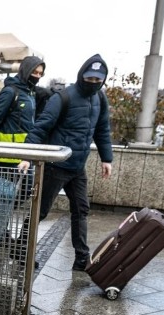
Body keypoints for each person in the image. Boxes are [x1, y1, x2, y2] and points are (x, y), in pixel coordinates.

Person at [20, 54, 114, 271]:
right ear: (82, 76)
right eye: (89, 79)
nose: (93, 83)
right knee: (40, 211)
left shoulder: (100, 98)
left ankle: (82, 257)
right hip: (56, 165)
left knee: (81, 209)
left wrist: (106, 158)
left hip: (78, 167)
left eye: (97, 80)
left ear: (102, 80)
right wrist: (26, 155)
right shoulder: (63, 98)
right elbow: (41, 127)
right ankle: (22, 251)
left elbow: (102, 130)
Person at [0, 55, 46, 167]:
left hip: (25, 153)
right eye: (34, 72)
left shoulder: (30, 93)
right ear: (26, 71)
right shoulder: (10, 92)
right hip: (8, 155)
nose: (37, 76)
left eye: (40, 73)